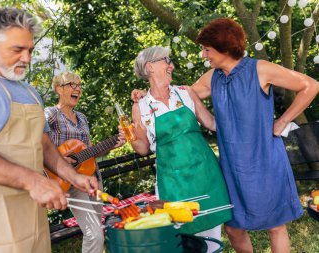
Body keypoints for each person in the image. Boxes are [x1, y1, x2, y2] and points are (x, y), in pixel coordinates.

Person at [133, 18, 319, 253]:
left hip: (264, 161)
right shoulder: (213, 77)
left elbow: (310, 86)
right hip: (230, 166)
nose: (203, 55)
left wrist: (282, 121)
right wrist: (143, 96)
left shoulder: (260, 69)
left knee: (274, 226)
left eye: (206, 49)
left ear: (223, 46)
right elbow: (177, 98)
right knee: (233, 229)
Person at [0, 7, 98, 253]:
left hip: (31, 202)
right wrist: (34, 181)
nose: (26, 58)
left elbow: (45, 146)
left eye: (30, 50)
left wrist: (73, 176)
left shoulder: (30, 93)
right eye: (17, 49)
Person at [129, 46, 232, 250]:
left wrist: (241, 120)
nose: (172, 65)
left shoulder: (185, 93)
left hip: (205, 174)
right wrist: (130, 136)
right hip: (172, 181)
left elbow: (212, 123)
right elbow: (142, 148)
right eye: (166, 60)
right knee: (184, 241)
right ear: (150, 67)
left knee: (213, 240)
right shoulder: (139, 107)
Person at [44, 71, 126, 253]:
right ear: (58, 89)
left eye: (79, 85)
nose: (78, 89)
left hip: (92, 180)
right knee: (94, 234)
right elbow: (39, 143)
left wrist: (114, 144)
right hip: (68, 182)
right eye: (72, 85)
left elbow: (88, 152)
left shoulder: (82, 118)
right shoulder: (50, 114)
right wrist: (60, 161)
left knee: (97, 231)